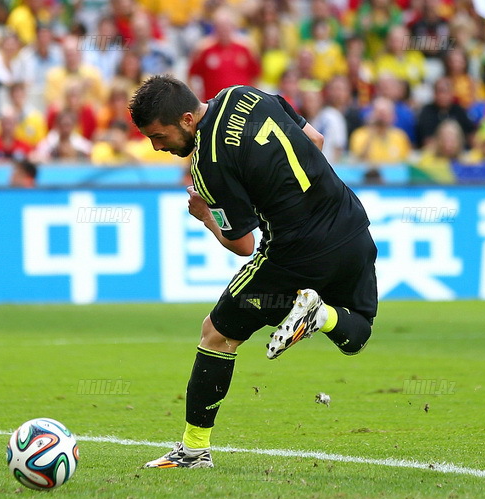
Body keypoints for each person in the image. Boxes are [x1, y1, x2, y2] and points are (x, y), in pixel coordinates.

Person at [128, 75, 377, 468]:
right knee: (357, 329)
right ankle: (323, 316)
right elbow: (315, 141)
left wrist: (206, 217)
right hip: (350, 225)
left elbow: (241, 244)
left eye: (159, 136)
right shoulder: (244, 95)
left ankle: (194, 451)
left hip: (295, 251)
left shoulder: (207, 164)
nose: (157, 147)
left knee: (216, 333)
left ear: (188, 119)